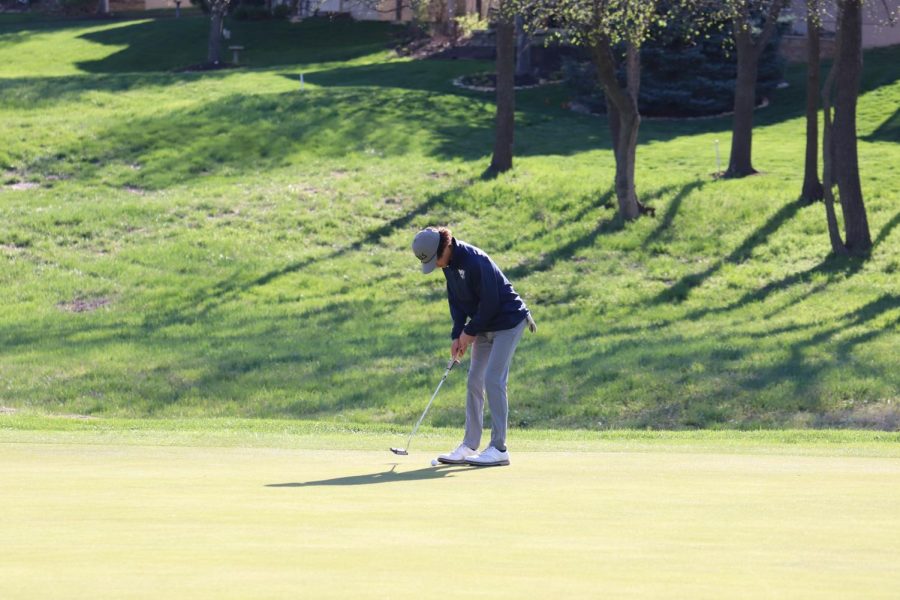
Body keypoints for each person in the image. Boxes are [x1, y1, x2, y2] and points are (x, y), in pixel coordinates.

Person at [411, 226, 535, 467]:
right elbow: (456, 301)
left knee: (493, 379)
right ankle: (469, 445)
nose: (436, 265)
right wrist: (458, 333)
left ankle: (499, 449)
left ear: (444, 247)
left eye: (436, 259)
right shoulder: (447, 265)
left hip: (508, 321)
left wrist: (469, 332)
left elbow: (491, 303)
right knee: (474, 380)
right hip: (484, 324)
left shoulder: (474, 260)